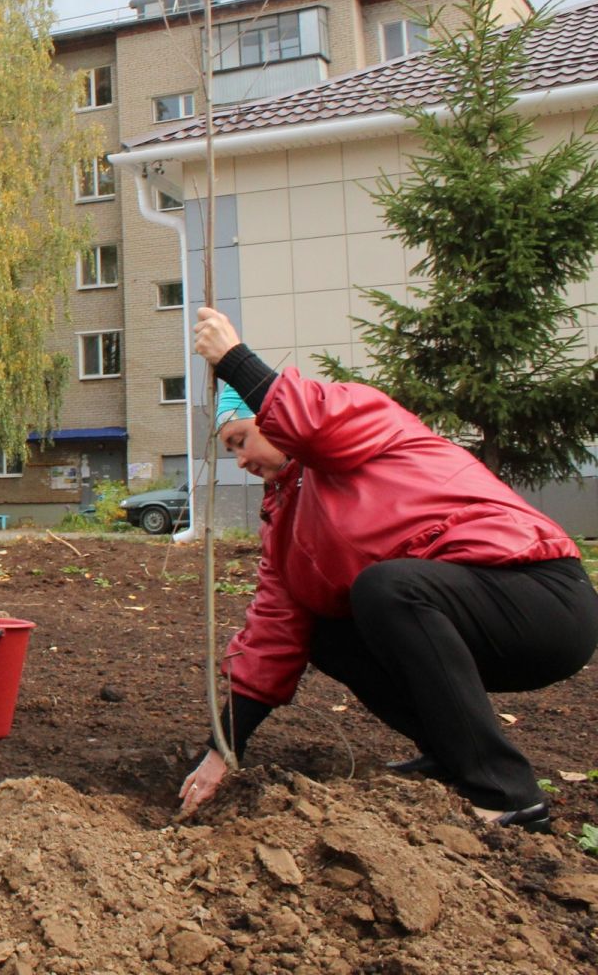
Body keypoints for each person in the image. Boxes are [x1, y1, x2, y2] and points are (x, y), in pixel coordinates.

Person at [178, 306, 598, 830]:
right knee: (328, 630)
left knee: (386, 588)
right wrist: (223, 747)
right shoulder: (285, 527)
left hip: (540, 600)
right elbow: (272, 639)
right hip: (462, 624)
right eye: (229, 450)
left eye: (241, 439)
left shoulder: (360, 423)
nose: (239, 459)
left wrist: (234, 359)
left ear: (273, 419)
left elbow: (312, 421)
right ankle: (452, 755)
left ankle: (508, 794)